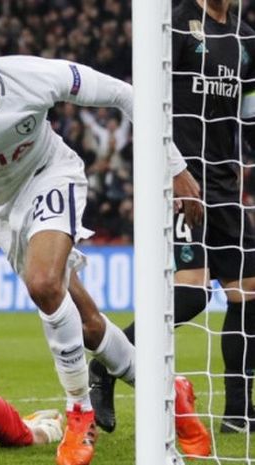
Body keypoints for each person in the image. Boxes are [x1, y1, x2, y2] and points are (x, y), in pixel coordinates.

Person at [0, 13, 199, 465]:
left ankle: (79, 414)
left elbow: (124, 95)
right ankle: (169, 391)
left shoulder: (35, 77)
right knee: (87, 320)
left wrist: (174, 165)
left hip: (50, 175)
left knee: (43, 284)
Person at [89, 0, 255, 439]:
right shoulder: (177, 23)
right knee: (192, 295)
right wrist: (171, 170)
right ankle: (107, 364)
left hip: (224, 183)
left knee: (249, 293)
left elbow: (251, 110)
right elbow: (147, 102)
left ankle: (239, 412)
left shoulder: (244, 35)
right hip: (181, 180)